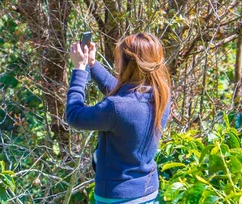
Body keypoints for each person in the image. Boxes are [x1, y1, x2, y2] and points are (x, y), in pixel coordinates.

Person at [66, 32, 171, 204]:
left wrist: (79, 70)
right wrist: (92, 64)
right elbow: (127, 97)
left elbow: (74, 116)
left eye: (119, 58)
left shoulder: (116, 108)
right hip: (148, 192)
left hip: (116, 197)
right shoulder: (162, 95)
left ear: (128, 64)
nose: (116, 63)